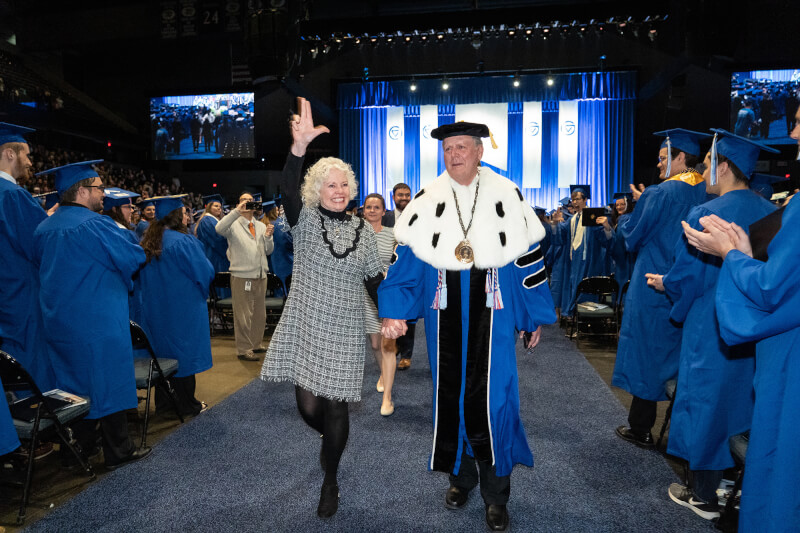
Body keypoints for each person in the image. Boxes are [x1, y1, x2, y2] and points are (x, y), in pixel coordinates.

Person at [379, 122, 556, 532]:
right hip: (445, 318)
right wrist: (394, 311)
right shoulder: (427, 201)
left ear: (479, 151)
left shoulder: (505, 196)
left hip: (494, 318)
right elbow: (405, 263)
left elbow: (527, 261)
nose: (454, 155)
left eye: (461, 147)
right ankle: (462, 478)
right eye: (447, 149)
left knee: (495, 403)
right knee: (452, 399)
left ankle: (497, 494)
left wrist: (531, 317)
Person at [260, 97, 383, 519]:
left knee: (336, 408)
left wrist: (391, 313)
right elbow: (287, 186)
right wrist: (298, 147)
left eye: (344, 184)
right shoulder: (305, 220)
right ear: (318, 190)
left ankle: (330, 478)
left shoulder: (364, 230)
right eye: (331, 185)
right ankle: (329, 443)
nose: (339, 191)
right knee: (309, 408)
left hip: (347, 325)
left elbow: (372, 278)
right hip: (307, 322)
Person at [646, 129, 777, 520]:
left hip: (712, 323)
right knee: (740, 400)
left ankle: (703, 494)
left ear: (722, 166)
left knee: (705, 401)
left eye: (706, 165)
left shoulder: (706, 213)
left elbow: (688, 276)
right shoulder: (772, 213)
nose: (703, 173)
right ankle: (727, 481)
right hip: (755, 324)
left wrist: (664, 284)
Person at [33, 160, 150, 469]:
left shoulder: (43, 228)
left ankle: (80, 450)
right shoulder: (95, 224)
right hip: (97, 321)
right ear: (82, 191)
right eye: (99, 188)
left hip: (59, 323)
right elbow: (133, 255)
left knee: (74, 386)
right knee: (107, 382)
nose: (103, 194)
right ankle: (119, 450)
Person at [612, 128, 710, 449]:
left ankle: (640, 427)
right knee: (678, 354)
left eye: (664, 158)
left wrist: (629, 214)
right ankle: (681, 431)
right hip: (687, 284)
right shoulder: (707, 192)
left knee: (647, 353)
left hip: (652, 286)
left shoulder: (660, 193)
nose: (658, 165)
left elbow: (632, 237)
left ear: (681, 157)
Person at [137, 195, 215, 417]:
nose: (187, 216)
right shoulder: (183, 241)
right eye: (184, 213)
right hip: (182, 310)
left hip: (156, 311)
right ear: (177, 216)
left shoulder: (149, 241)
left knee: (163, 357)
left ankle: (164, 405)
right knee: (183, 357)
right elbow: (205, 273)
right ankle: (186, 404)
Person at [0, 122, 55, 391]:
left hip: (5, 291)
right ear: (10, 154)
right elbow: (36, 245)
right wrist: (51, 224)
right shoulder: (12, 195)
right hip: (20, 294)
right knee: (27, 365)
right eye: (27, 154)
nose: (30, 161)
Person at [215, 191, 274, 361]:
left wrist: (269, 238)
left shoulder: (261, 226)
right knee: (243, 314)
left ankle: (256, 344)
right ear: (238, 204)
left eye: (250, 200)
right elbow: (218, 228)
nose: (247, 203)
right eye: (243, 200)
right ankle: (243, 348)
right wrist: (236, 212)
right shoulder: (233, 224)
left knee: (259, 313)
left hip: (261, 274)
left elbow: (269, 250)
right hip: (242, 275)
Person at [549, 184, 610, 319]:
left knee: (586, 293)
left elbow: (605, 240)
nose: (574, 202)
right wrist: (554, 223)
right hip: (573, 263)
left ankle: (586, 323)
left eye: (577, 199)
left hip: (589, 263)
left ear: (585, 199)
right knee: (574, 290)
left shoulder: (593, 216)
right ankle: (576, 321)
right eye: (573, 199)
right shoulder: (573, 219)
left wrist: (606, 227)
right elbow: (559, 237)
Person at [362, 193, 398, 416]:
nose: (372, 210)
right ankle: (383, 374)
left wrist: (389, 274)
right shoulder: (355, 236)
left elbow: (399, 263)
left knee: (387, 345)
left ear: (384, 212)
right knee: (375, 345)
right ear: (363, 210)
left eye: (377, 207)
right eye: (368, 207)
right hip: (364, 296)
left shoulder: (393, 235)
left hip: (387, 295)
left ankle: (387, 399)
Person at [382, 182, 416, 370]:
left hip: (407, 274)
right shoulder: (384, 217)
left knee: (408, 316)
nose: (404, 198)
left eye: (407, 195)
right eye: (400, 195)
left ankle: (407, 355)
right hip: (386, 272)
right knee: (389, 313)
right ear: (393, 197)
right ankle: (392, 347)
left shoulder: (417, 218)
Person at [596, 192, 636, 292]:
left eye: (622, 204)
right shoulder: (620, 219)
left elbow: (618, 242)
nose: (619, 207)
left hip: (626, 260)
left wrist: (608, 229)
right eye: (617, 205)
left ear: (628, 204)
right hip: (623, 260)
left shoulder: (626, 219)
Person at [194, 194, 231, 294]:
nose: (219, 208)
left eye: (220, 206)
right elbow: (217, 240)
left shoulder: (214, 220)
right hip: (215, 258)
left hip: (218, 257)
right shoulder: (207, 221)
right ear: (208, 207)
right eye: (215, 206)